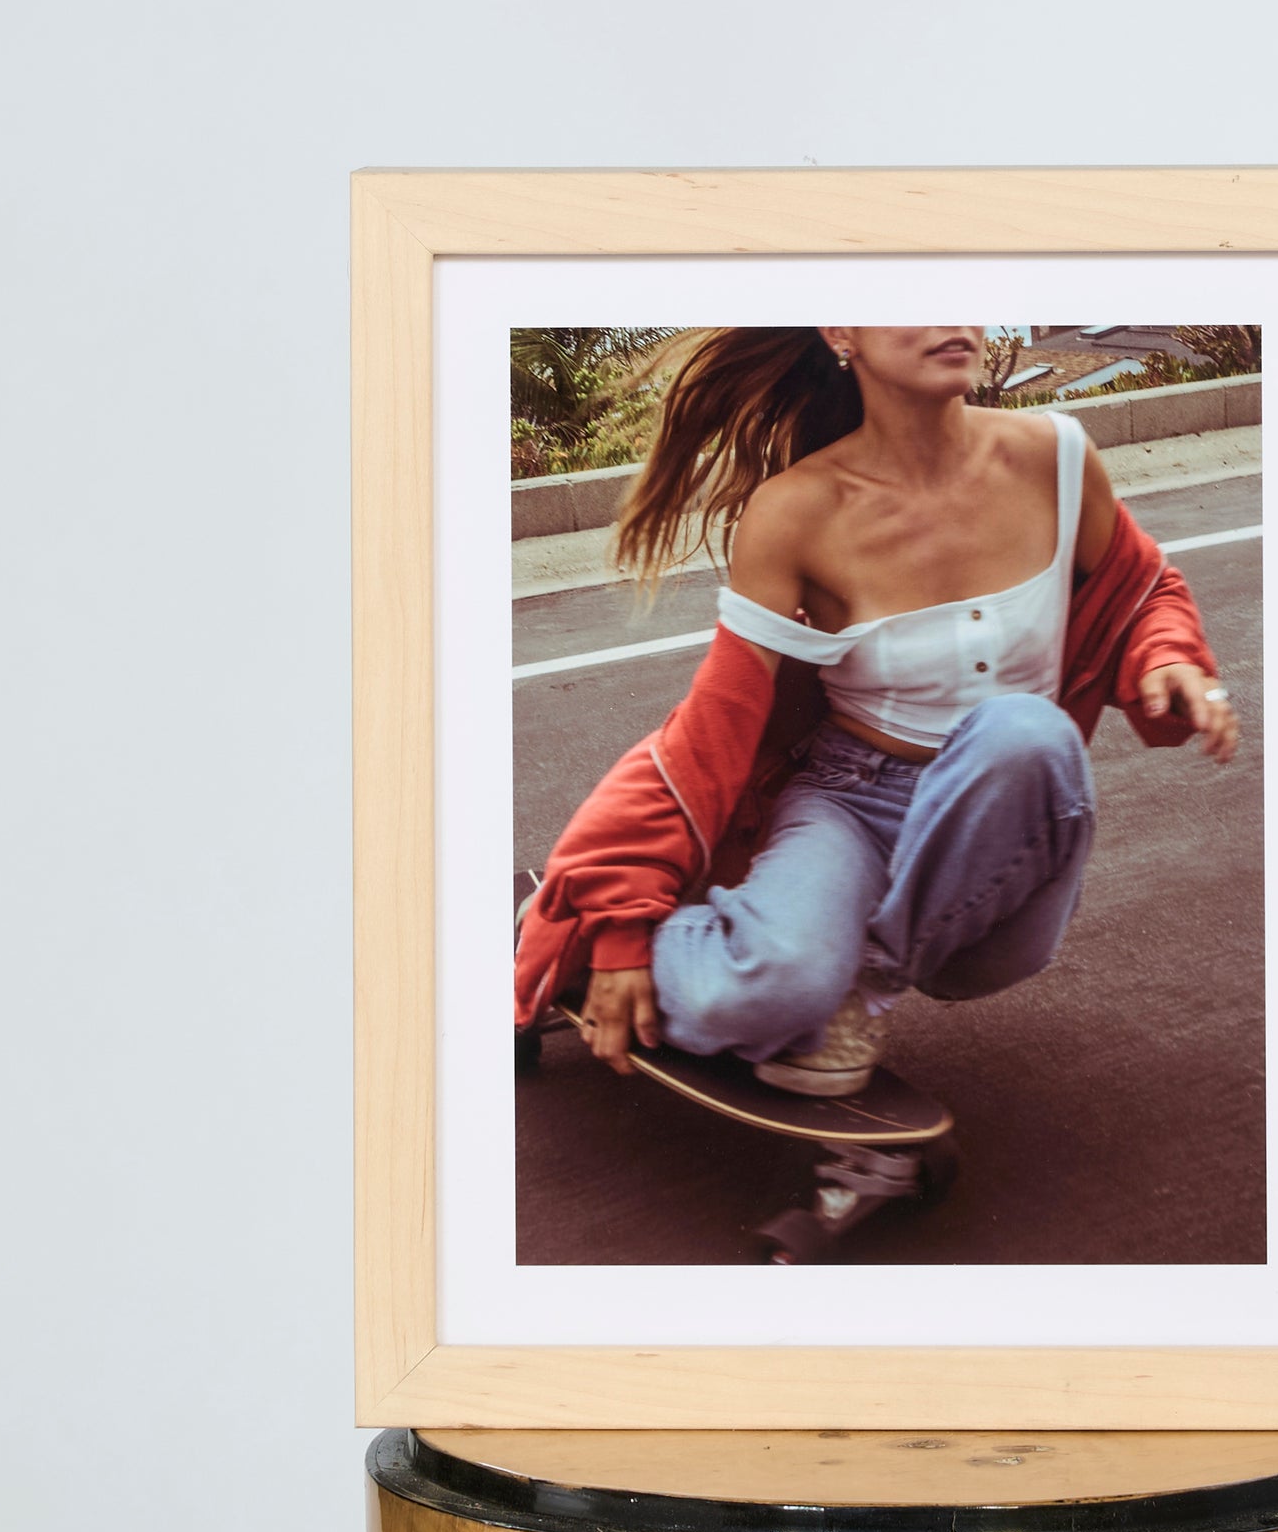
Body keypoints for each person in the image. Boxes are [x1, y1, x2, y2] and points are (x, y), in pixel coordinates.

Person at [514, 325, 1240, 1097]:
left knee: (1023, 731)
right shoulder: (796, 511)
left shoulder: (1054, 458)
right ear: (841, 333)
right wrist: (619, 925)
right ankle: (600, 938)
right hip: (851, 804)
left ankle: (852, 983)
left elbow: (1142, 590)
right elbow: (715, 725)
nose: (949, 320)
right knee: (765, 991)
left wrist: (1169, 659)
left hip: (1000, 830)